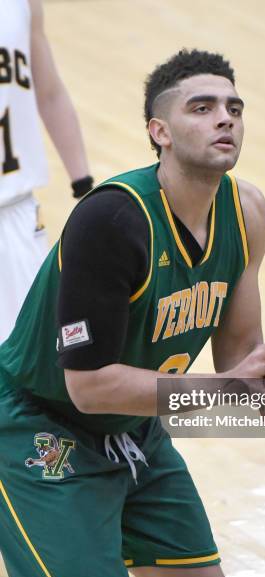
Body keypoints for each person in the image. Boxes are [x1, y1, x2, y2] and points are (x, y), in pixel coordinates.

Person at [0, 49, 265, 577]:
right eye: (203, 107)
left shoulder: (247, 213)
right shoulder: (114, 220)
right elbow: (89, 388)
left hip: (135, 429)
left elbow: (237, 353)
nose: (226, 118)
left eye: (234, 107)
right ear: (159, 131)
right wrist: (228, 390)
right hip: (37, 427)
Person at [0, 0, 93, 343]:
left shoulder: (23, 4)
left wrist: (83, 185)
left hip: (18, 213)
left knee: (38, 354)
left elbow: (50, 93)